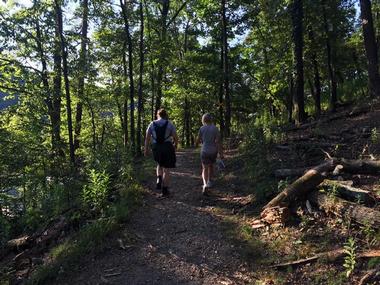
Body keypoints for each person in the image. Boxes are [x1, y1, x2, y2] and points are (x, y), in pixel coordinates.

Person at [144, 108, 178, 196]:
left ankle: (159, 179)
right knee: (166, 169)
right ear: (165, 115)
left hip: (156, 147)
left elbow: (147, 137)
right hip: (167, 146)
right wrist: (175, 145)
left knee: (159, 164)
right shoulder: (169, 123)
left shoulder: (152, 124)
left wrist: (146, 149)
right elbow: (175, 136)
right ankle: (165, 190)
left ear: (157, 115)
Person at [196, 113, 223, 195]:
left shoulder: (202, 128)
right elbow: (218, 142)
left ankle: (204, 184)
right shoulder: (215, 129)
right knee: (211, 166)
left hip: (204, 150)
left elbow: (198, 140)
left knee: (205, 168)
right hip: (213, 150)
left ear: (203, 120)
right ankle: (210, 181)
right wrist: (221, 153)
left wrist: (197, 144)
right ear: (211, 119)